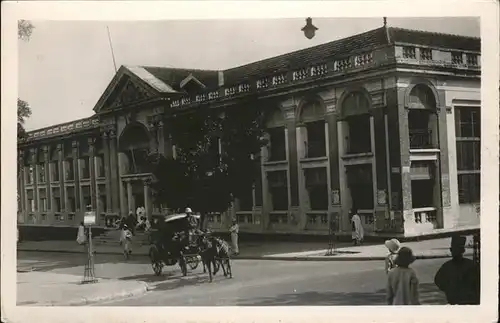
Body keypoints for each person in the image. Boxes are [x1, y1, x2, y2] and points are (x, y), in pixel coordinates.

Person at [434, 235, 480, 305]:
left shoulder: (472, 266)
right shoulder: (447, 266)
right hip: (457, 301)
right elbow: (438, 280)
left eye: (456, 250)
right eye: (453, 250)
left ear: (462, 251)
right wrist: (449, 290)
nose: (454, 252)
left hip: (468, 301)